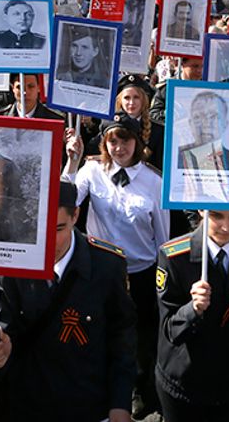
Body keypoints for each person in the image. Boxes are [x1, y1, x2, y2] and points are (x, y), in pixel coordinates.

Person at [0, 181, 138, 422]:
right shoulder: (9, 266)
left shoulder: (107, 266)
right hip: (26, 405)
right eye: (38, 229)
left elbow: (122, 339)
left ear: (75, 216)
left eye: (58, 228)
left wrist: (120, 404)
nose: (48, 241)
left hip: (85, 404)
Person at [66, 116, 169, 418]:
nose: (119, 147)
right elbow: (65, 197)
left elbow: (163, 236)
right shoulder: (93, 170)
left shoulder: (154, 181)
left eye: (125, 140)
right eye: (113, 140)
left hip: (140, 270)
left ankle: (139, 387)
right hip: (101, 267)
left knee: (138, 335)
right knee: (96, 326)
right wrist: (72, 161)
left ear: (137, 142)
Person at [154, 209, 229, 420]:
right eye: (217, 216)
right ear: (201, 211)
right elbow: (168, 330)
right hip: (186, 384)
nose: (226, 227)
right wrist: (192, 310)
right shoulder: (174, 256)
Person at [176, 91, 229, 171]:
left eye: (214, 117)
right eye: (198, 117)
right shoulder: (176, 157)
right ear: (190, 124)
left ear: (225, 124)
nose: (206, 123)